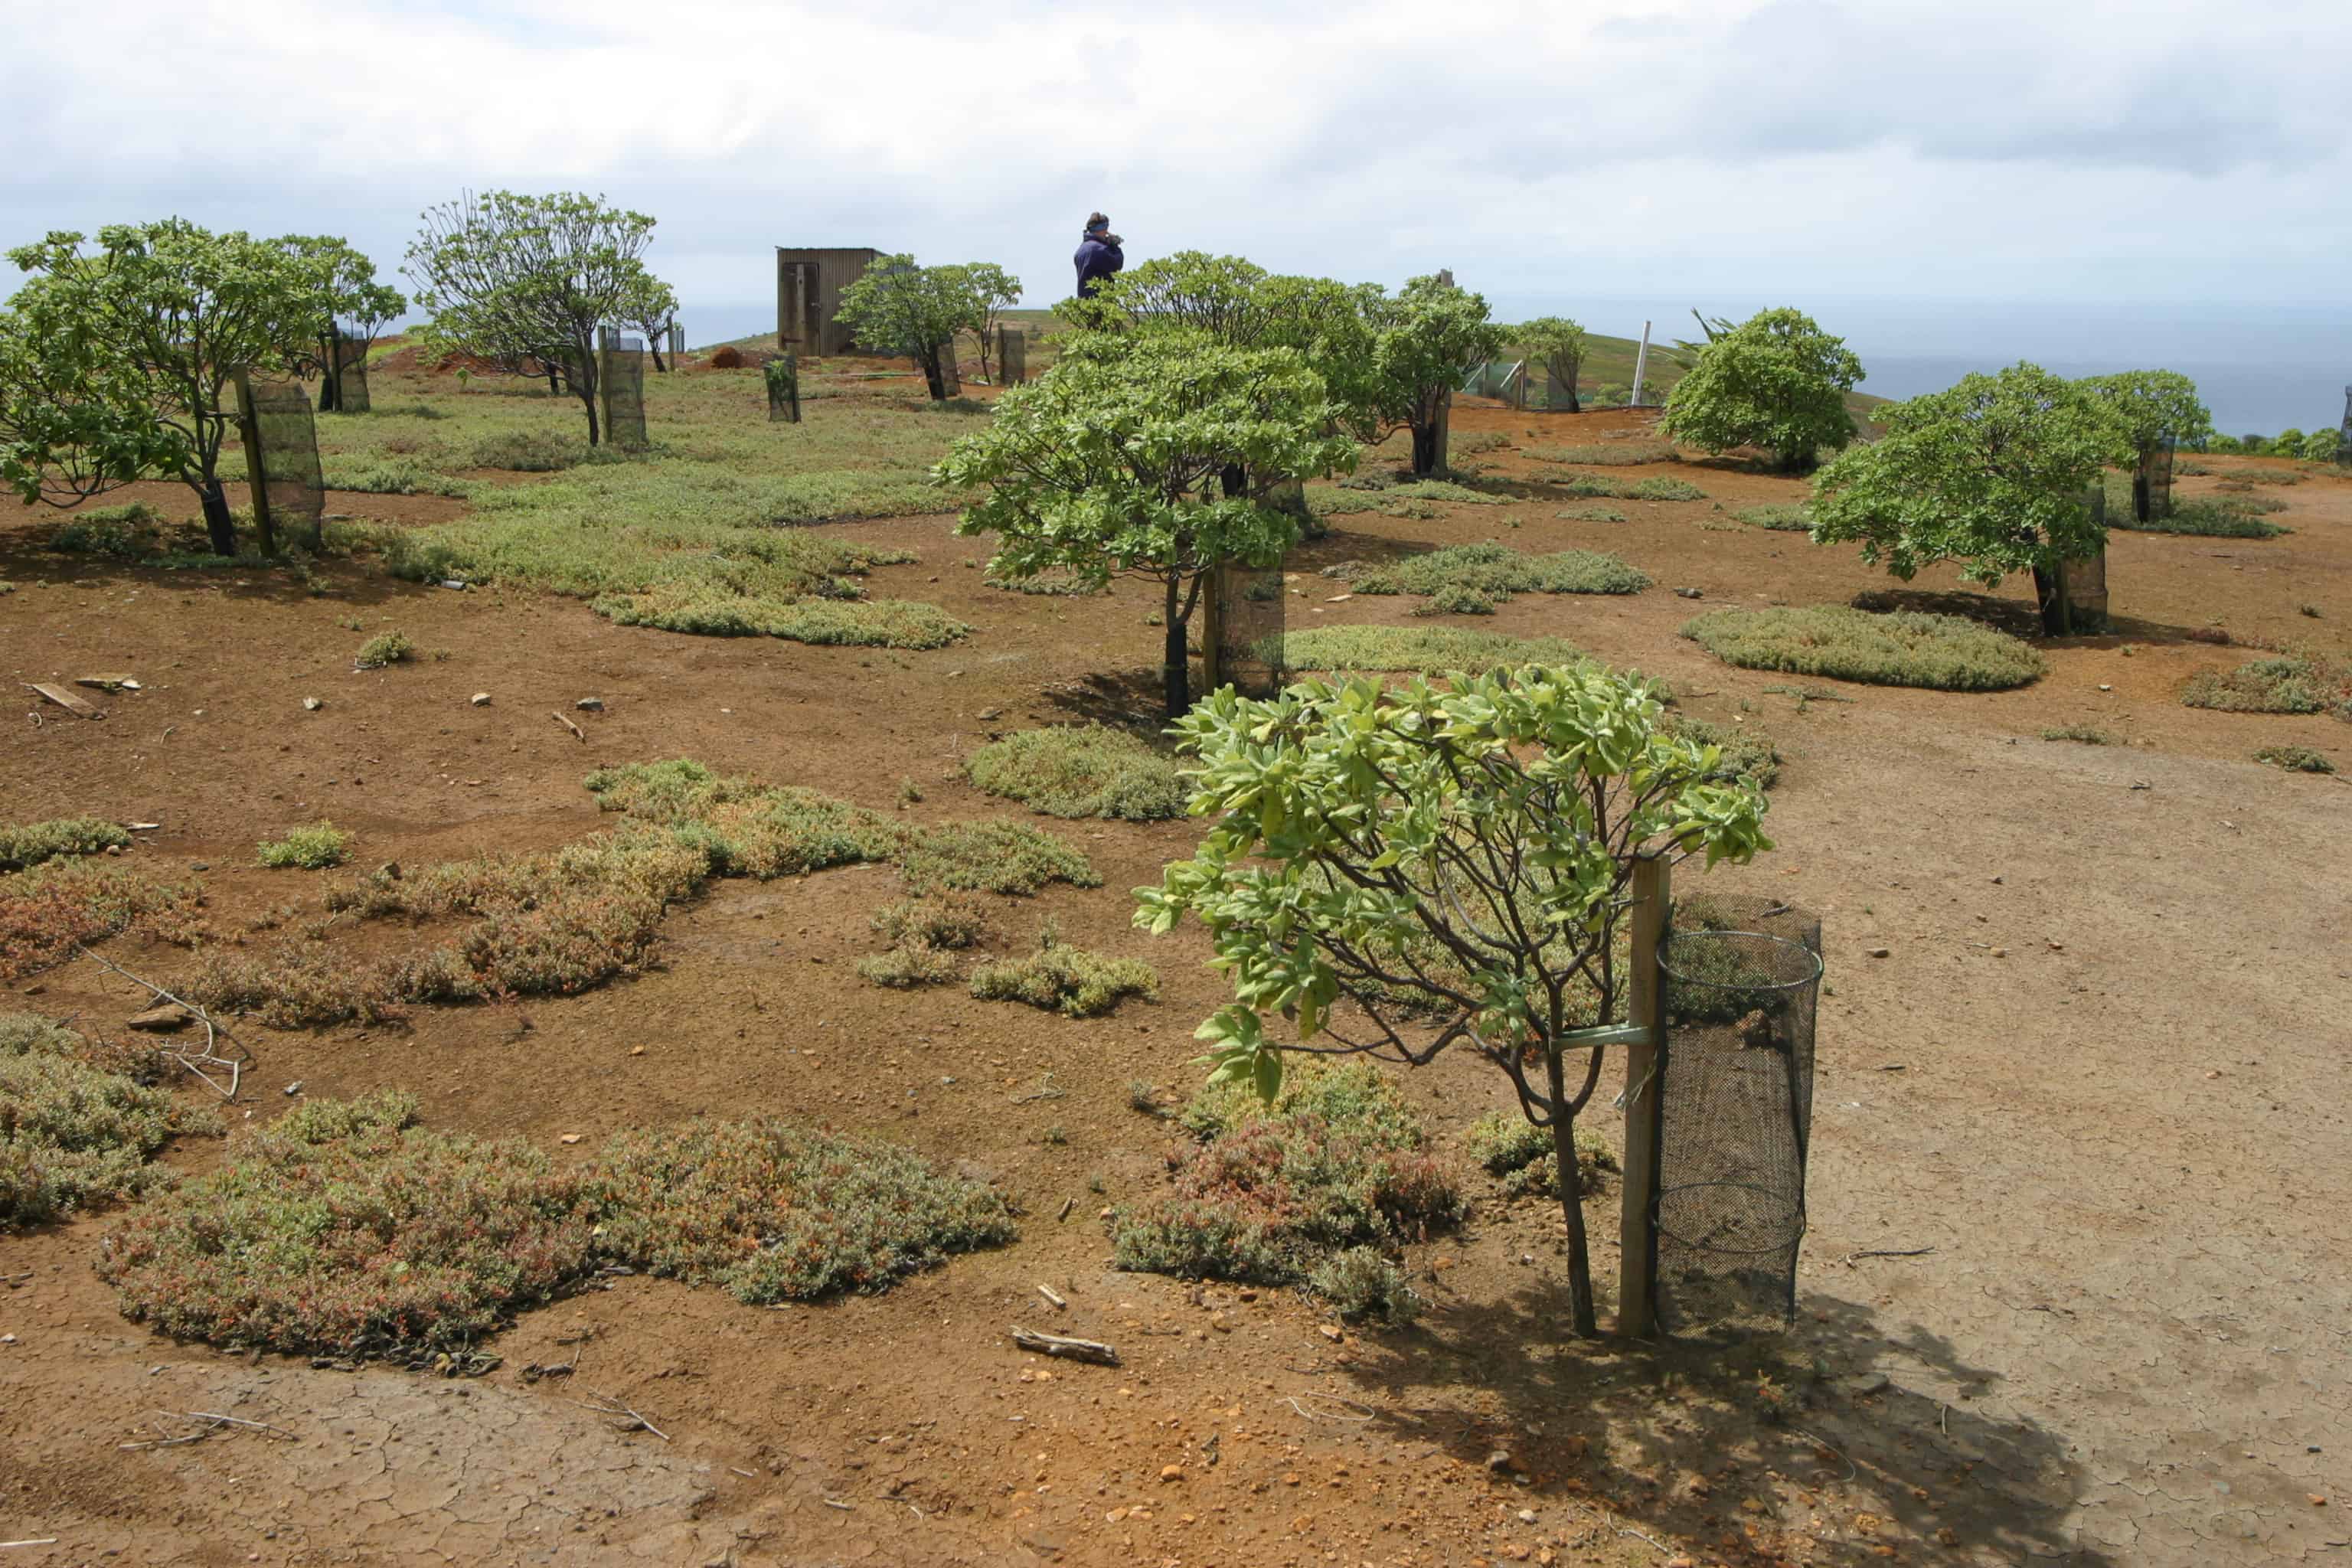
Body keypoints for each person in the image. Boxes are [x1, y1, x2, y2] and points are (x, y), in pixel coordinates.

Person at [1073, 213, 1124, 299]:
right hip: (1100, 302)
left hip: (1084, 301)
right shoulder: (1099, 249)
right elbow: (1117, 264)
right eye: (1106, 228)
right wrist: (1114, 246)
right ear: (1102, 229)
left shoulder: (1081, 249)